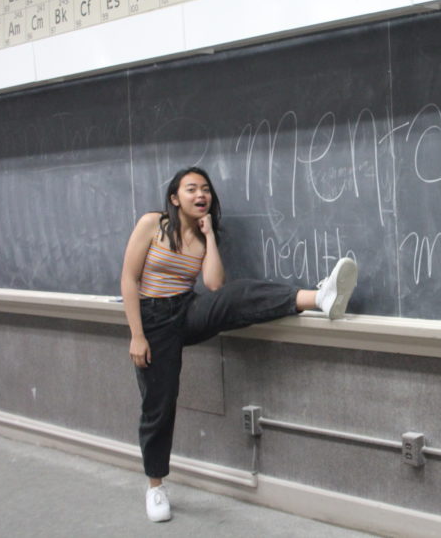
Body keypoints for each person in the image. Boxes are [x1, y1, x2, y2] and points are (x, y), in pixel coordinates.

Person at [120, 166, 357, 522]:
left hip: (186, 310)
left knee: (235, 293)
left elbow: (214, 286)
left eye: (205, 189)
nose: (201, 195)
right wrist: (137, 335)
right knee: (160, 403)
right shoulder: (152, 224)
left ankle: (318, 297)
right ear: (174, 198)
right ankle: (156, 486)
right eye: (191, 189)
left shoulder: (202, 239)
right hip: (152, 321)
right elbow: (128, 277)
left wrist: (210, 238)